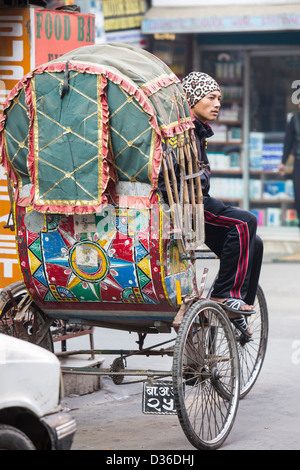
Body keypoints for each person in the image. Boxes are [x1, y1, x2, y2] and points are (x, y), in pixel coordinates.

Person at [182, 71, 264, 342]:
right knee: (244, 222)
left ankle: (238, 306)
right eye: (211, 97)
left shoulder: (200, 132)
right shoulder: (184, 133)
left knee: (255, 242)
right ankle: (224, 294)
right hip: (185, 206)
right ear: (193, 99)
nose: (217, 103)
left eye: (219, 98)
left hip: (201, 201)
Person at [278, 103, 300, 228]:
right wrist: (283, 162)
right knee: (298, 197)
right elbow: (288, 142)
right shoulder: (294, 119)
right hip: (298, 163)